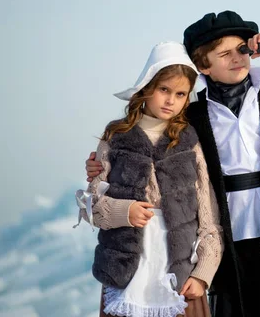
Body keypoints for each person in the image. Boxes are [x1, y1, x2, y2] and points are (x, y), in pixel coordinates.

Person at [86, 11, 260, 316]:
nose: (237, 59)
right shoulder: (192, 115)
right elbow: (152, 146)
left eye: (242, 50)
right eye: (224, 54)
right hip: (227, 235)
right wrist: (100, 163)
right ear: (203, 66)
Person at [75, 41, 224, 317]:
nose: (170, 100)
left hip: (179, 274)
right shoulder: (116, 137)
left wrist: (203, 273)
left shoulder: (189, 141)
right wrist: (124, 211)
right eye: (164, 90)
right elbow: (90, 207)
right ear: (147, 88)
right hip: (127, 272)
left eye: (180, 94)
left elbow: (209, 216)